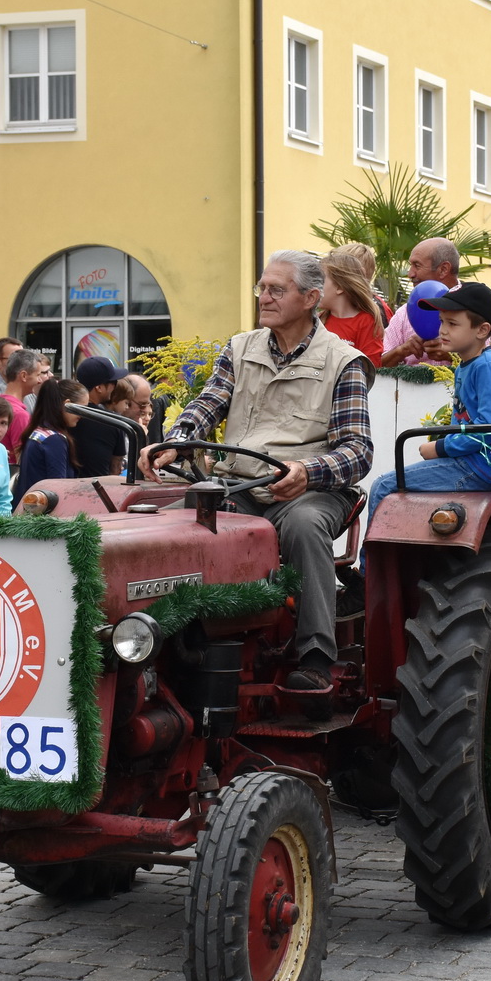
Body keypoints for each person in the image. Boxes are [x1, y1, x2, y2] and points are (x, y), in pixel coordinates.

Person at [142, 249, 372, 694]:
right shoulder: (240, 347)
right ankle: (186, 641)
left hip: (308, 490)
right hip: (243, 480)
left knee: (305, 528)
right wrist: (176, 442)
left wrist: (308, 470)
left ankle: (317, 656)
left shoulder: (343, 361)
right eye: (261, 288)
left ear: (310, 298)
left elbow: (358, 450)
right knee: (190, 516)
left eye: (276, 290)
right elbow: (208, 404)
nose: (264, 297)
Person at [365, 282, 491, 541]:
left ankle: (369, 574)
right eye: (441, 322)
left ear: (482, 330)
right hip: (468, 462)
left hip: (481, 467)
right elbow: (464, 421)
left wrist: (441, 448)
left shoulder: (488, 368)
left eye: (453, 324)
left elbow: (490, 429)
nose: (442, 331)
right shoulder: (466, 366)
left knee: (384, 487)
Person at [380, 239, 491, 366]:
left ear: (443, 269)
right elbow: (376, 363)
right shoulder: (405, 312)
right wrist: (401, 351)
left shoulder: (478, 307)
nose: (410, 274)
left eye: (417, 265)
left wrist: (454, 355)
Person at [13, 379, 87, 500]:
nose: (83, 415)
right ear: (67, 404)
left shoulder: (39, 433)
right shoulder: (54, 440)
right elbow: (58, 489)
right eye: (82, 409)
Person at [320, 250, 386, 366]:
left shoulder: (366, 321)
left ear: (340, 287)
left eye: (320, 281)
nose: (314, 287)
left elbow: (371, 367)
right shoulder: (319, 320)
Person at [73, 356, 131, 477]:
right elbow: (115, 469)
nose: (115, 387)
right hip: (100, 488)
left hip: (63, 488)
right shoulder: (114, 422)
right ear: (99, 388)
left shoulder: (66, 414)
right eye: (113, 382)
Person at [0, 349, 48, 459]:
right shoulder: (19, 415)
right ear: (24, 376)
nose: (40, 380)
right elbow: (23, 460)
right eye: (38, 375)